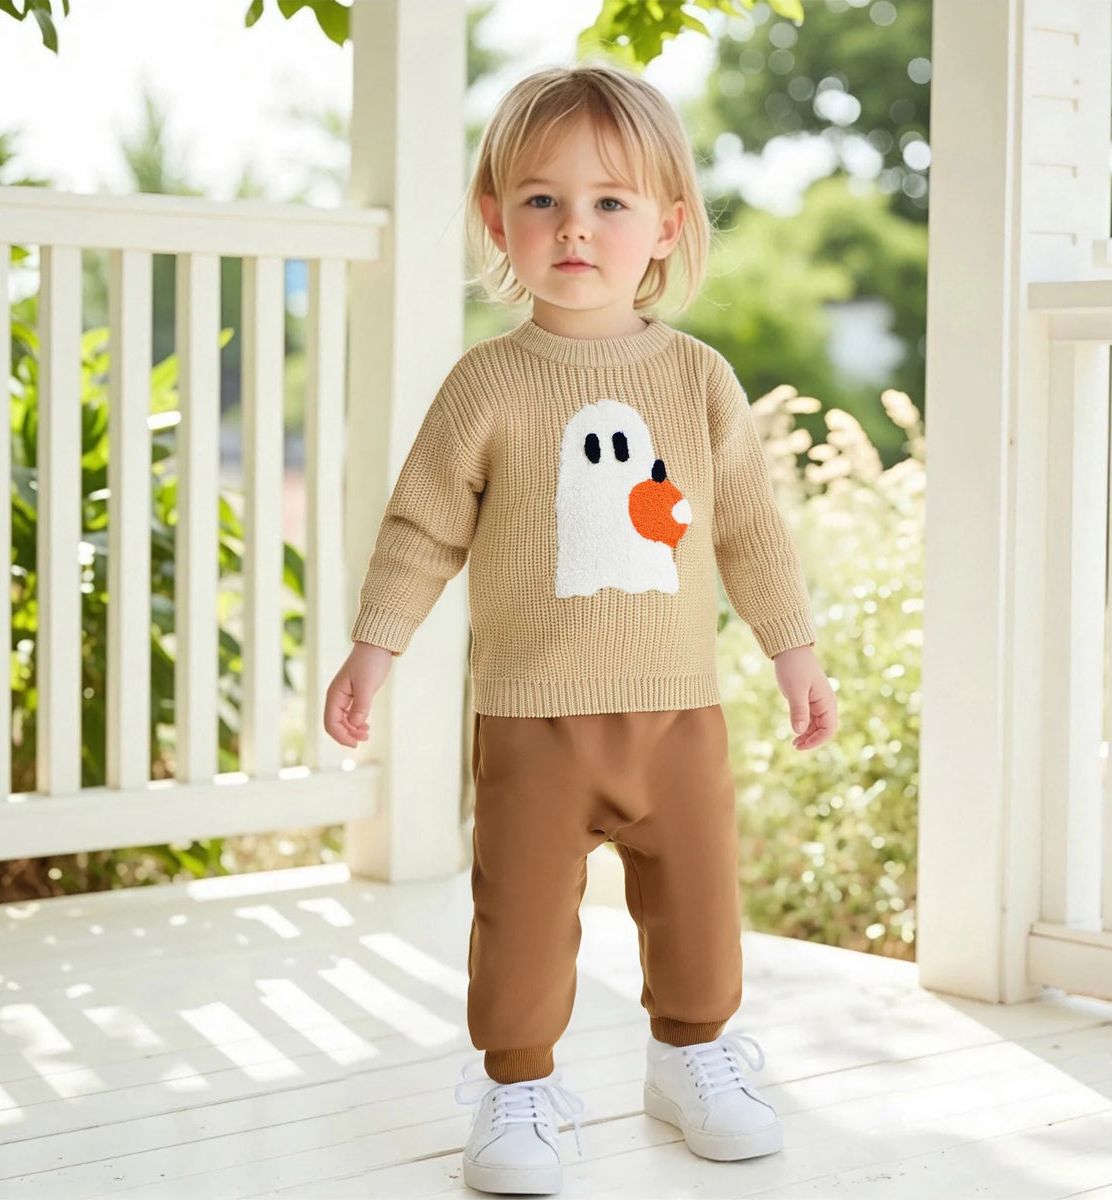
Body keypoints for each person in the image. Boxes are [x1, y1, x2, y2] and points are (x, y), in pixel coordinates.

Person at [324, 61, 838, 1196]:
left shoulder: (698, 379)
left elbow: (749, 531)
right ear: (495, 217)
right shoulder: (487, 384)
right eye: (543, 198)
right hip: (532, 719)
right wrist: (375, 646)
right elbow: (421, 528)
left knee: (698, 902)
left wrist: (793, 651)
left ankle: (691, 1058)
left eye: (610, 201)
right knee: (518, 918)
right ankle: (518, 1085)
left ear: (667, 226)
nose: (574, 227)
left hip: (679, 714)